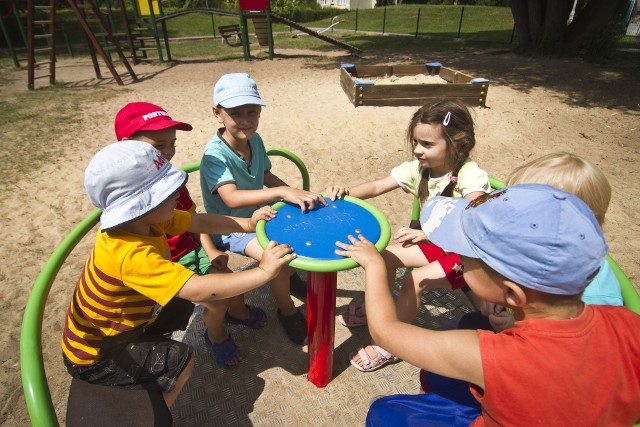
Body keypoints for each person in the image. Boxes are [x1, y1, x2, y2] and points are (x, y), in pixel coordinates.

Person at [336, 184, 640, 426]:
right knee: (465, 324)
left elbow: (387, 331)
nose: (455, 256)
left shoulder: (495, 356)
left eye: (466, 256)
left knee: (386, 413)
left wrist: (376, 267)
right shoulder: (627, 322)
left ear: (512, 295)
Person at [61, 140, 294, 409]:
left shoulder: (150, 219)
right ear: (139, 204)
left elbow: (200, 221)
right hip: (97, 353)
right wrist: (264, 272)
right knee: (182, 360)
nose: (178, 194)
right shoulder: (130, 253)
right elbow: (197, 289)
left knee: (195, 301)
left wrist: (248, 223)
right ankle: (159, 413)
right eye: (166, 191)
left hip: (126, 321)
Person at [326, 98, 491, 371]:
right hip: (440, 244)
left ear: (457, 143)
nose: (417, 150)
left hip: (467, 255)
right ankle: (378, 312)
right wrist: (344, 193)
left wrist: (427, 233)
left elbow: (476, 217)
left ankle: (392, 343)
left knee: (415, 281)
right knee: (383, 258)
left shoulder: (470, 175)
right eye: (415, 142)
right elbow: (378, 185)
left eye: (426, 144)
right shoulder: (420, 169)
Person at [114, 102, 265, 368]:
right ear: (129, 145)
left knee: (232, 289)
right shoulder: (125, 197)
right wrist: (265, 272)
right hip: (165, 263)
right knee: (219, 300)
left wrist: (212, 249)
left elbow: (193, 220)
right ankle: (216, 337)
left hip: (191, 249)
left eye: (171, 143)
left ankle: (238, 314)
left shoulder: (169, 178)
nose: (168, 152)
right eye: (158, 146)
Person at [200, 72, 326, 345]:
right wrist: (281, 192)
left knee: (305, 221)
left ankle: (290, 279)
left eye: (252, 112)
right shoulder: (214, 155)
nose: (245, 120)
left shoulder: (253, 140)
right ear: (217, 113)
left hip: (262, 213)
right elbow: (231, 198)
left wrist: (294, 193)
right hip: (230, 225)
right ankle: (287, 310)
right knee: (277, 257)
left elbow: (267, 176)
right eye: (235, 113)